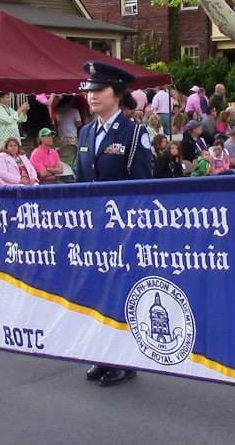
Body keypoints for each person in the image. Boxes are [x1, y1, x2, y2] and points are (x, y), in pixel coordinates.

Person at [74, 60, 152, 387]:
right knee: (96, 292)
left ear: (117, 93)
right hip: (93, 229)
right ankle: (103, 355)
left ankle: (125, 359)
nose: (92, 96)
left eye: (99, 89)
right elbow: (79, 181)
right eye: (89, 90)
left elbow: (143, 186)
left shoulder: (134, 134)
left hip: (123, 229)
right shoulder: (86, 132)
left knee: (120, 292)